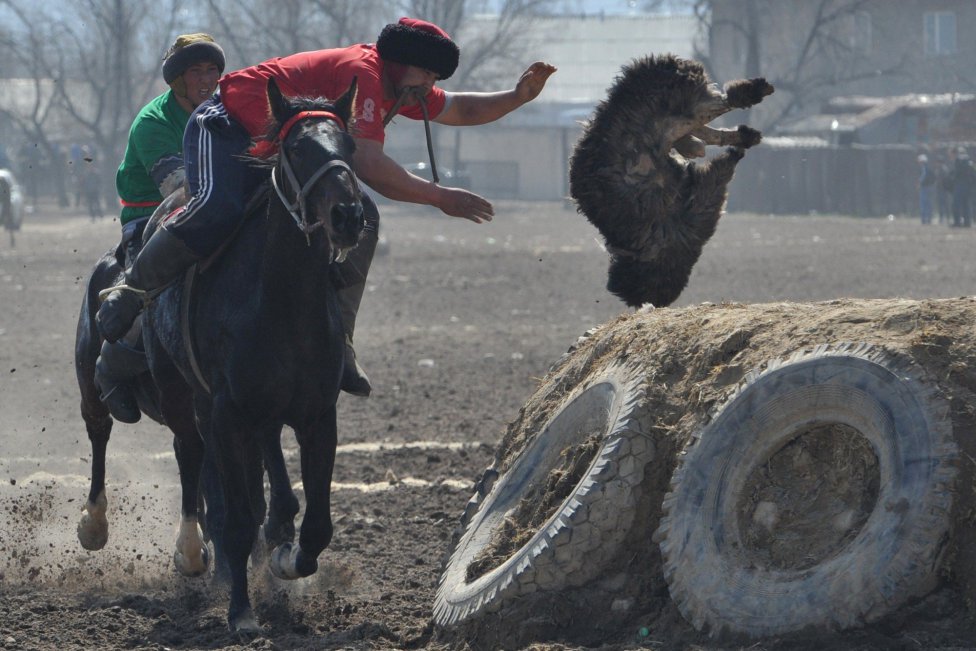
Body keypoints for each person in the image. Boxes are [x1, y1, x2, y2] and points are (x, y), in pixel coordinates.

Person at [96, 17, 557, 399]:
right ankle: (130, 291)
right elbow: (370, 164)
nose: (431, 87)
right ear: (401, 64)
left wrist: (516, 97)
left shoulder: (403, 83)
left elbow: (459, 110)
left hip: (279, 141)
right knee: (218, 208)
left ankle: (340, 342)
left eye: (435, 80)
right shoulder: (367, 75)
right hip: (225, 124)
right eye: (428, 76)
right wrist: (441, 197)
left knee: (363, 217)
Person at [95, 33, 225, 423]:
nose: (206, 79)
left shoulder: (226, 112)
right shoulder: (153, 122)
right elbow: (180, 189)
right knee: (147, 294)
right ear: (177, 80)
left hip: (214, 211)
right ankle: (111, 366)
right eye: (196, 71)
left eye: (213, 70)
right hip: (151, 217)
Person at [951, 146, 974, 228]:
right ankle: (967, 222)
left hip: (960, 185)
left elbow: (957, 173)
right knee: (966, 205)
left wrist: (952, 180)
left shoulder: (958, 160)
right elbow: (973, 173)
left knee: (956, 204)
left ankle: (957, 222)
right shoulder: (970, 161)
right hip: (968, 186)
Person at [917, 153, 934, 225]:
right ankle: (929, 219)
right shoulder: (929, 168)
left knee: (923, 204)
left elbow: (923, 176)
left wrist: (919, 182)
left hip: (924, 188)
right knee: (928, 204)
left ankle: (924, 219)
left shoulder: (924, 168)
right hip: (929, 187)